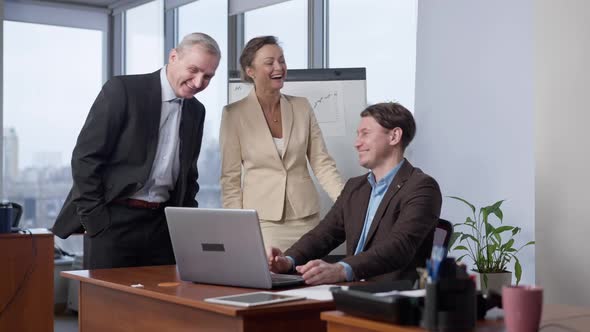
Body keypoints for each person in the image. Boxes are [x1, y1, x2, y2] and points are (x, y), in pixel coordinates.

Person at [52, 33, 221, 269]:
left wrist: (183, 226)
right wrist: (96, 221)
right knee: (107, 304)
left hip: (163, 226)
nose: (198, 81)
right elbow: (85, 158)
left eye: (208, 76)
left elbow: (188, 175)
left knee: (161, 304)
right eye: (193, 70)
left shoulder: (196, 111)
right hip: (113, 222)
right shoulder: (123, 90)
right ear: (173, 57)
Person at [268, 102, 442, 285]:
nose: (357, 143)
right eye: (357, 135)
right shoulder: (355, 187)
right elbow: (323, 235)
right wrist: (287, 261)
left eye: (365, 134)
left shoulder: (422, 187)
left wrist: (342, 269)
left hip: (391, 295)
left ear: (394, 136)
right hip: (350, 289)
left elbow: (400, 246)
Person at [220, 36, 344, 250]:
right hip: (263, 221)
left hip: (306, 218)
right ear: (251, 71)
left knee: (310, 279)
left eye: (282, 60)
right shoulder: (234, 114)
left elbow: (321, 163)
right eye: (269, 62)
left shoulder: (301, 107)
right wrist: (238, 226)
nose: (279, 67)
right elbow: (230, 180)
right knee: (271, 279)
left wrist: (348, 203)